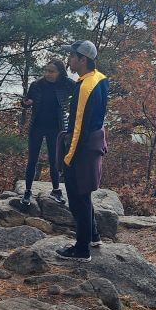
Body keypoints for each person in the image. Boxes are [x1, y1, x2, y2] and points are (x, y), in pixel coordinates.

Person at [55, 40, 108, 262]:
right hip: (93, 144)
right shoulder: (99, 79)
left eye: (72, 56)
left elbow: (78, 127)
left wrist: (69, 156)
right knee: (84, 194)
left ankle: (81, 249)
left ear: (82, 59)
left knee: (78, 198)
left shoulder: (85, 88)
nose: (69, 60)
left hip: (82, 149)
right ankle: (93, 236)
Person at [21, 59, 76, 206]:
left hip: (56, 129)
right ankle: (27, 192)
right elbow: (26, 100)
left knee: (55, 161)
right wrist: (26, 103)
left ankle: (56, 190)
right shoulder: (36, 85)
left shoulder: (66, 84)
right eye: (46, 70)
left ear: (60, 72)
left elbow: (80, 94)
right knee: (32, 160)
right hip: (37, 127)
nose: (47, 74)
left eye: (51, 71)